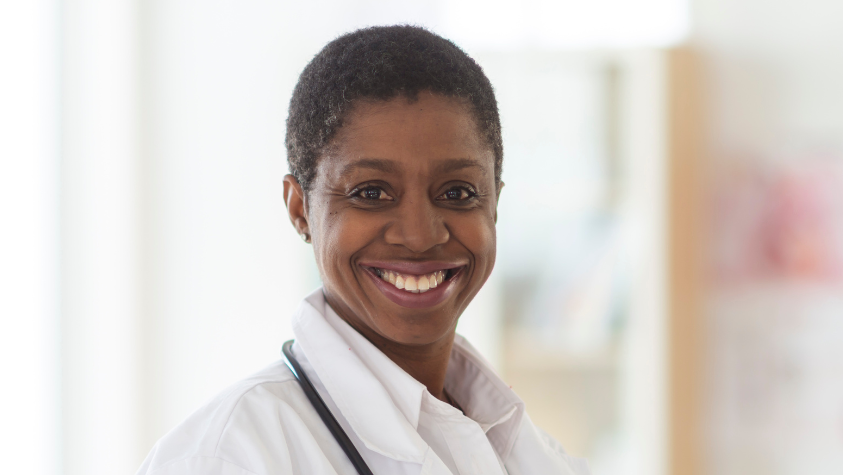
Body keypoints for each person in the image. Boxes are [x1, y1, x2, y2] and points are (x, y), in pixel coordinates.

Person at [137, 26, 587, 475]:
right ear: (300, 210)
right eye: (371, 193)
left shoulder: (532, 454)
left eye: (457, 192)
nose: (419, 235)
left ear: (494, 206)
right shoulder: (226, 456)